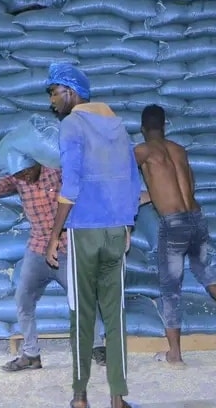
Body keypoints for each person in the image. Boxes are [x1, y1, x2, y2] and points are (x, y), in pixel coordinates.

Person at [45, 63, 140, 408]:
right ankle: (118, 397)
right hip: (116, 231)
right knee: (115, 315)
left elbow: (70, 186)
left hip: (83, 231)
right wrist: (127, 225)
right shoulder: (118, 126)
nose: (52, 101)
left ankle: (80, 395)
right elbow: (133, 182)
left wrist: (54, 235)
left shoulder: (72, 125)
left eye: (54, 93)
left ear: (70, 92)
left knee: (81, 313)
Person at [134, 104, 216, 367]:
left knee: (170, 288)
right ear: (165, 125)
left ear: (142, 128)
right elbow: (186, 186)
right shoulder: (179, 150)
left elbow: (120, 179)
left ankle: (175, 355)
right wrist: (152, 196)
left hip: (173, 224)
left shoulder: (142, 151)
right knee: (203, 268)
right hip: (196, 217)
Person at [0, 161, 108, 371]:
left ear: (36, 162)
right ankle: (31, 354)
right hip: (37, 249)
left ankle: (96, 345)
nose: (25, 176)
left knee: (83, 297)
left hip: (67, 248)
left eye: (27, 171)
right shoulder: (18, 178)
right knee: (23, 299)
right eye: (19, 173)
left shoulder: (57, 171)